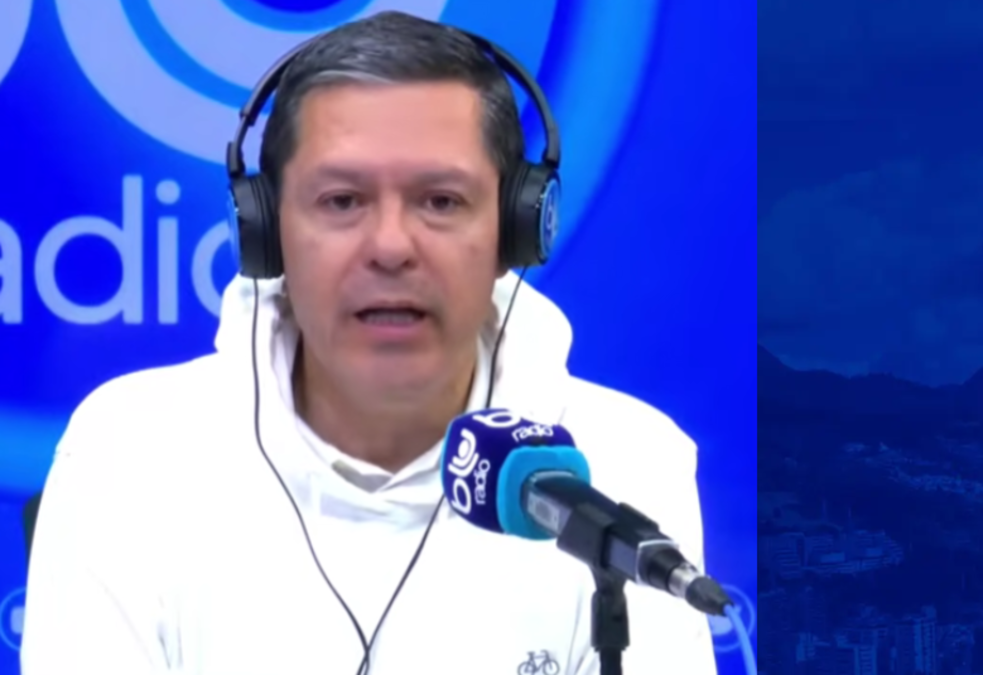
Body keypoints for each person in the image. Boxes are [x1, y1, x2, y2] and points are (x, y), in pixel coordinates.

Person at [20, 11, 717, 675]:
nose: (390, 246)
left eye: (441, 201)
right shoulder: (131, 453)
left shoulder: (621, 464)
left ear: (514, 230)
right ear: (266, 232)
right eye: (342, 201)